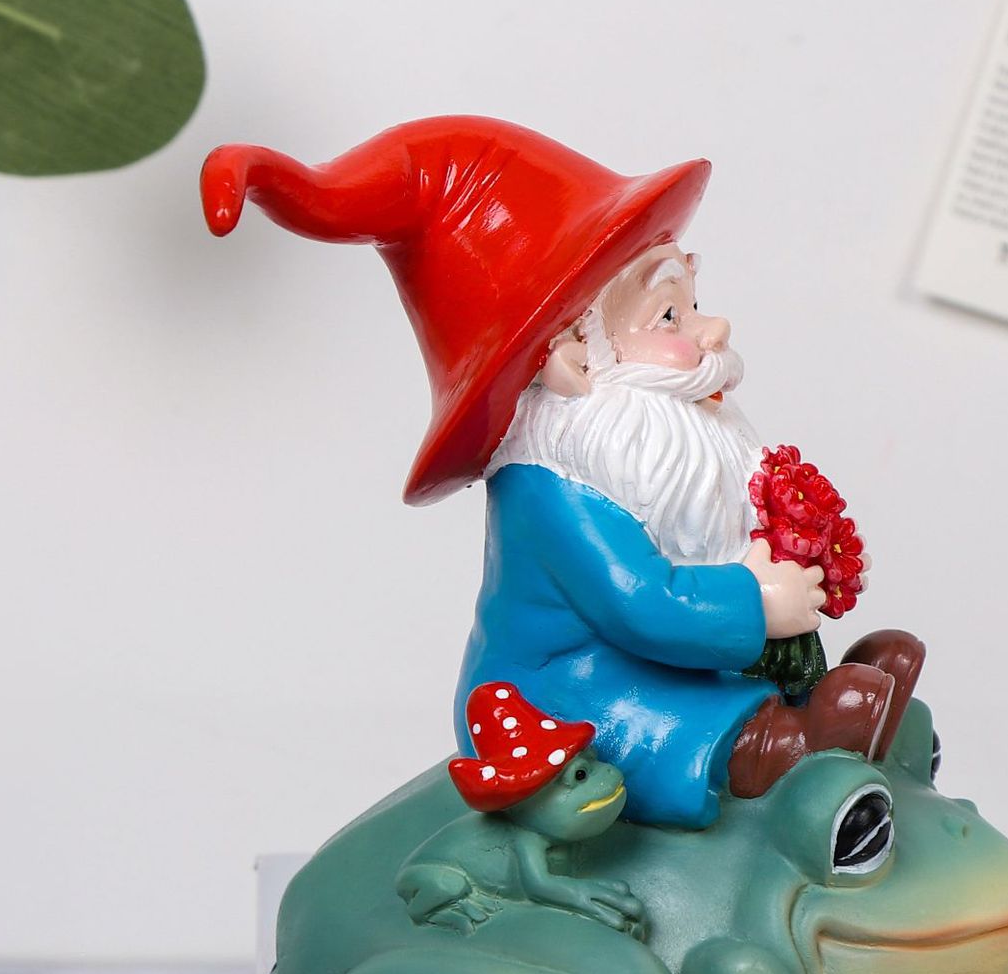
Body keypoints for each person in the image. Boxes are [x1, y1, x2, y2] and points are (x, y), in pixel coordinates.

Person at [201, 116, 922, 828]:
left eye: (693, 304)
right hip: (567, 686)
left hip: (668, 661)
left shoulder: (646, 462)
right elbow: (641, 603)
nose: (713, 331)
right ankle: (782, 745)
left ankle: (817, 703)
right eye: (669, 316)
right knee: (660, 718)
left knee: (708, 683)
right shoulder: (553, 487)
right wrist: (756, 603)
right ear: (575, 359)